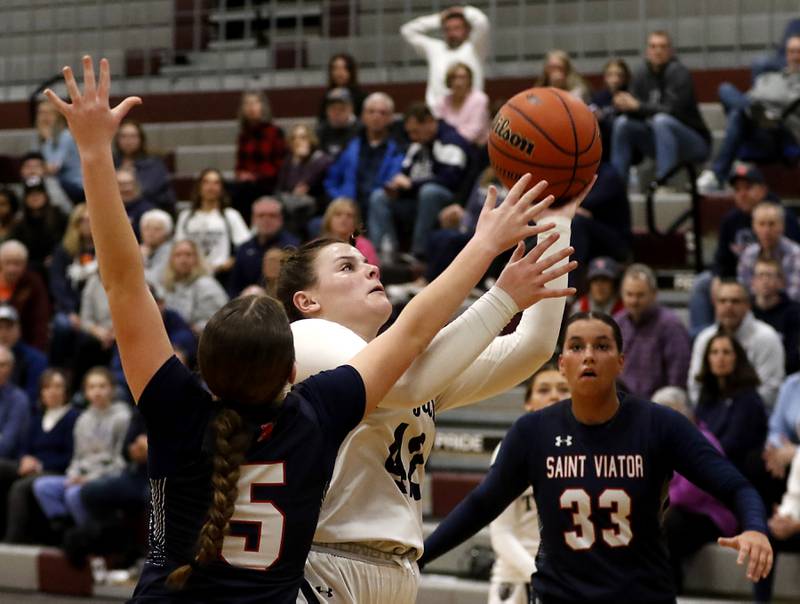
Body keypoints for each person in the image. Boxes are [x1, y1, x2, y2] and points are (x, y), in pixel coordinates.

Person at [47, 56, 559, 601]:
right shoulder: (312, 408)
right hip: (328, 575)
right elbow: (412, 336)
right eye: (347, 264)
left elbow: (123, 282)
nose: (371, 267)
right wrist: (488, 258)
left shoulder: (181, 411)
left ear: (201, 367)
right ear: (293, 362)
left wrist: (93, 153)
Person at [280, 176, 589, 604]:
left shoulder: (405, 365)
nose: (371, 267)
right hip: (320, 564)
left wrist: (557, 224)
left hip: (396, 571)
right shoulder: (305, 339)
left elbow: (530, 347)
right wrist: (499, 292)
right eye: (346, 267)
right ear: (306, 301)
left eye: (364, 261)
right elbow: (405, 386)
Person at [421, 312, 773, 603]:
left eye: (601, 346)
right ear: (562, 363)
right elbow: (482, 504)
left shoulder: (659, 424)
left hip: (640, 596)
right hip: (560, 596)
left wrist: (755, 527)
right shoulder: (533, 432)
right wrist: (420, 556)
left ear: (620, 361)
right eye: (576, 347)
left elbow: (735, 485)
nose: (588, 355)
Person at [488, 363, 570, 604]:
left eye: (563, 389)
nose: (554, 395)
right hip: (516, 578)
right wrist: (538, 574)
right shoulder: (510, 449)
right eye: (543, 390)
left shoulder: (592, 449)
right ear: (528, 402)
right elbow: (501, 532)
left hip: (569, 580)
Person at [688, 162, 800, 337]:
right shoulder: (731, 223)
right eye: (737, 189)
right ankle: (704, 336)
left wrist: (775, 291)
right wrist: (719, 278)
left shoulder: (785, 219)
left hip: (783, 290)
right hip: (745, 283)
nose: (742, 194)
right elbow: (722, 261)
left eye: (748, 188)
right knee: (703, 283)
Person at [651, 386, 739, 593]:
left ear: (684, 414)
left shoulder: (702, 441)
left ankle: (671, 587)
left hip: (710, 515)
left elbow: (692, 492)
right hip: (675, 511)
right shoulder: (659, 442)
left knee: (669, 524)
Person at [696, 34, 800, 192]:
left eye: (799, 51)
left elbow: (785, 100)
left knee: (739, 112)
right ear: (785, 54)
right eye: (791, 51)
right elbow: (752, 95)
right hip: (756, 122)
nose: (795, 56)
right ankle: (717, 175)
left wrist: (759, 101)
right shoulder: (771, 77)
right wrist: (754, 104)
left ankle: (716, 174)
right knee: (725, 89)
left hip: (778, 131)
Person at [369, 103, 471, 260]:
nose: (412, 137)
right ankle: (384, 252)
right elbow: (405, 173)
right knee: (378, 196)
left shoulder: (450, 141)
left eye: (415, 131)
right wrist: (396, 186)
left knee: (429, 191)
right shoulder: (416, 145)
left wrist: (412, 185)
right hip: (417, 196)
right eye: (410, 132)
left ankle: (419, 252)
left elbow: (451, 179)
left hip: (448, 198)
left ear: (430, 122)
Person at [32, 367, 130, 531]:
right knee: (42, 486)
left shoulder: (123, 418)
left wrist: (89, 479)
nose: (97, 392)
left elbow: (120, 460)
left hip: (106, 476)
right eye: (92, 387)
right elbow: (77, 458)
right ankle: (66, 529)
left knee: (73, 494)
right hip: (81, 475)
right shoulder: (82, 419)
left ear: (112, 389)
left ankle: (90, 535)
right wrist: (73, 475)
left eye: (102, 386)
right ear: (85, 392)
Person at [611, 30, 710, 185]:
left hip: (693, 143)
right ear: (647, 51)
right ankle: (616, 187)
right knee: (622, 124)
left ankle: (664, 183)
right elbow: (634, 109)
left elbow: (673, 111)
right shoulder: (641, 73)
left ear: (670, 51)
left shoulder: (679, 73)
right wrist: (622, 104)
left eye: (663, 47)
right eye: (653, 46)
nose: (658, 51)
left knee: (662, 120)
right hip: (659, 141)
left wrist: (637, 106)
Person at [2, 369, 79, 544]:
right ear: (41, 393)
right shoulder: (37, 418)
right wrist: (24, 459)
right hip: (31, 467)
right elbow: (24, 447)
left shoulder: (73, 418)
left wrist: (39, 465)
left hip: (55, 470)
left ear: (66, 391)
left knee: (19, 488)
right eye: (47, 387)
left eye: (58, 386)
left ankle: (11, 542)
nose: (53, 391)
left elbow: (71, 456)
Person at [688, 280, 784, 407]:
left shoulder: (766, 337)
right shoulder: (704, 338)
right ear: (714, 304)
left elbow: (771, 391)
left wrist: (733, 410)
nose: (728, 306)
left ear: (748, 305)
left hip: (755, 414)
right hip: (710, 411)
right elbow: (695, 386)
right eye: (722, 301)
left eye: (735, 301)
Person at [693, 333, 768, 473]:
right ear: (707, 359)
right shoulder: (707, 394)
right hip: (706, 465)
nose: (720, 357)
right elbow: (695, 431)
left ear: (737, 358)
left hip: (736, 472)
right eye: (714, 352)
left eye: (726, 352)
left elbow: (732, 445)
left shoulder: (749, 399)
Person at [614, 263, 691, 399]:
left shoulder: (670, 325)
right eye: (629, 294)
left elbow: (677, 379)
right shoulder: (617, 323)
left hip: (659, 405)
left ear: (654, 294)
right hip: (621, 402)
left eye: (640, 295)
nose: (634, 301)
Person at [323, 92, 404, 217]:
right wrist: (340, 199)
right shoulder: (349, 146)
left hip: (380, 211)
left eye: (382, 113)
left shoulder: (399, 149)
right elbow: (331, 180)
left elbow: (394, 182)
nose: (376, 117)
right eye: (371, 112)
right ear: (362, 116)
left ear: (391, 118)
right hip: (350, 210)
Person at [401, 5, 489, 112]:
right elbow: (407, 30)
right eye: (447, 29)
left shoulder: (474, 48)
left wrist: (462, 11)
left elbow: (482, 22)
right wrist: (439, 18)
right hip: (437, 114)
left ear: (466, 30)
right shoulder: (434, 48)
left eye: (457, 28)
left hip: (470, 112)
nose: (452, 33)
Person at [174, 168, 251, 286]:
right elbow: (178, 245)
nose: (211, 187)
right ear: (199, 187)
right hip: (191, 276)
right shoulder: (186, 217)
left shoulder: (230, 215)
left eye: (216, 183)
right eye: (206, 182)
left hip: (222, 276)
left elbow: (245, 246)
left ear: (222, 188)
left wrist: (232, 261)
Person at [49, 204, 97, 367]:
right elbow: (57, 284)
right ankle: (57, 369)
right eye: (82, 220)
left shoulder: (105, 250)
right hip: (70, 308)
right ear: (74, 224)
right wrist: (70, 312)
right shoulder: (63, 251)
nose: (87, 224)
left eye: (90, 220)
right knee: (63, 326)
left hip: (97, 310)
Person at [229, 197, 299, 297]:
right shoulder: (244, 248)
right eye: (261, 216)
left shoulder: (292, 247)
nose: (266, 220)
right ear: (253, 219)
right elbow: (234, 287)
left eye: (272, 216)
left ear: (281, 219)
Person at [233, 90, 286, 219]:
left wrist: (255, 176)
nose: (251, 107)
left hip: (268, 183)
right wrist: (241, 174)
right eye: (247, 104)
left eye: (255, 103)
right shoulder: (244, 135)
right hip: (247, 185)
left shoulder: (275, 132)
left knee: (246, 192)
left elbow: (279, 165)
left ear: (263, 107)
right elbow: (240, 164)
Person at [159, 239, 229, 335]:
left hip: (198, 337)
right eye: (178, 255)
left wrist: (195, 328)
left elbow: (218, 321)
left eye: (188, 255)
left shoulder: (207, 285)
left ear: (197, 259)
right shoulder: (167, 285)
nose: (183, 260)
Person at [275, 123, 332, 236]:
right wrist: (296, 162)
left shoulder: (321, 159)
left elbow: (304, 185)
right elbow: (281, 187)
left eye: (302, 137)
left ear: (311, 139)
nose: (298, 141)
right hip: (292, 205)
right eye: (294, 138)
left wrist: (299, 163)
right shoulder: (289, 160)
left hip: (316, 208)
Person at [738, 201, 800, 302]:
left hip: (788, 308)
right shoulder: (749, 254)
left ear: (782, 226)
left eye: (772, 224)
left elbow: (796, 293)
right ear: (754, 227)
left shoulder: (796, 254)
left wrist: (770, 296)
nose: (766, 230)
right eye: (761, 224)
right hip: (756, 306)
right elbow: (743, 288)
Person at [113, 118, 175, 212]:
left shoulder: (154, 162)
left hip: (149, 208)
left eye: (133, 136)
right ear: (117, 139)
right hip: (115, 207)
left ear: (141, 139)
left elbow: (151, 188)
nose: (128, 140)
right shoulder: (111, 162)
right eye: (123, 136)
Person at [11, 177, 68, 280]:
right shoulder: (19, 224)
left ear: (46, 195)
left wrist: (55, 257)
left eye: (38, 193)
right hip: (31, 267)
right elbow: (20, 249)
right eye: (30, 194)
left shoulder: (59, 215)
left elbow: (68, 239)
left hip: (59, 262)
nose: (35, 197)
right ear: (25, 198)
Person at [751, 258, 800, 375]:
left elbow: (794, 356)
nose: (765, 280)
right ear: (753, 282)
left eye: (770, 276)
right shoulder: (745, 311)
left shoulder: (795, 312)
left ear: (781, 282)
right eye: (760, 275)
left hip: (785, 374)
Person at [0, 240, 51, 352]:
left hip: (22, 342)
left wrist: (37, 350)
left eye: (17, 264)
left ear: (25, 264)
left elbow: (40, 320)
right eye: (8, 263)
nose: (12, 269)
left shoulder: (33, 283)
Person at [35, 97, 84, 202]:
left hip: (76, 185)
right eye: (41, 113)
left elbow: (53, 168)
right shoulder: (39, 138)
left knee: (48, 182)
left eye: (49, 113)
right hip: (61, 186)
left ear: (58, 116)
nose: (44, 117)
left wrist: (48, 140)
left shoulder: (65, 135)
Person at [433, 62, 490, 146]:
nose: (458, 82)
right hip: (447, 147)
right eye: (454, 78)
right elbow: (436, 127)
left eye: (463, 78)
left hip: (475, 148)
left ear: (469, 80)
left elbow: (474, 132)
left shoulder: (479, 99)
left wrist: (450, 136)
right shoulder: (443, 101)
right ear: (449, 81)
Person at [0, 305, 47, 405]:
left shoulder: (35, 359)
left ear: (19, 330)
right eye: (0, 327)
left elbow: (32, 398)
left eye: (8, 327)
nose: (3, 333)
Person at [590, 58, 631, 161]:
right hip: (603, 146)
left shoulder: (630, 96)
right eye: (610, 75)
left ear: (625, 78)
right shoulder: (599, 97)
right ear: (605, 77)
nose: (615, 79)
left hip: (626, 147)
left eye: (619, 75)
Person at [320, 198, 379, 267]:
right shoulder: (318, 246)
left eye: (349, 215)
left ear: (355, 221)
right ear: (329, 219)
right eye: (338, 214)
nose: (344, 219)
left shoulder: (365, 246)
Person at [317, 53, 366, 124]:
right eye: (335, 69)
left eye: (344, 68)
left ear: (351, 71)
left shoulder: (361, 97)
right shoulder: (326, 97)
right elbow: (321, 122)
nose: (339, 73)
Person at [315, 88, 360, 158]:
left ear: (351, 109)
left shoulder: (361, 131)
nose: (337, 113)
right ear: (326, 111)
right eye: (333, 109)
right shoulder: (320, 131)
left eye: (341, 109)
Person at [115, 169, 154, 242]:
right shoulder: (107, 210)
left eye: (129, 184)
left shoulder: (147, 210)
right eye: (121, 184)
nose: (126, 189)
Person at [139, 208, 174, 284]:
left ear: (167, 233)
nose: (151, 233)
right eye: (147, 228)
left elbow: (155, 280)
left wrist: (143, 259)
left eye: (157, 229)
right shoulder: (138, 249)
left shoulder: (172, 252)